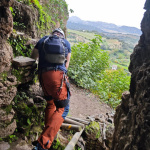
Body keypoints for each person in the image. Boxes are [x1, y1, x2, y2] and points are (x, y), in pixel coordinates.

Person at [31, 28, 71, 150]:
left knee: (50, 103)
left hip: (43, 77)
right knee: (63, 107)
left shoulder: (43, 40)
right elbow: (66, 64)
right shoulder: (66, 43)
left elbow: (33, 57)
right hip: (57, 77)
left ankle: (46, 134)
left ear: (53, 34)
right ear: (62, 35)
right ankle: (43, 144)